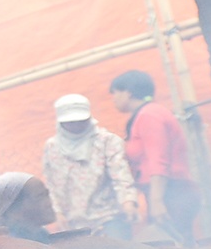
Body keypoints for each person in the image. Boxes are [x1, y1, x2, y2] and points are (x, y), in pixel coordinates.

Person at [110, 69, 200, 244]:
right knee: (175, 246)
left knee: (173, 247)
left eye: (114, 92)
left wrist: (158, 201)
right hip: (168, 192)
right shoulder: (146, 114)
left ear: (128, 92)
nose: (113, 98)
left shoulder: (149, 115)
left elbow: (158, 160)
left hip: (172, 193)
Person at [41, 92, 139, 235]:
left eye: (81, 121)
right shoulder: (52, 147)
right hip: (72, 224)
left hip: (108, 218)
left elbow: (120, 174)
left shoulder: (107, 141)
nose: (77, 126)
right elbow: (51, 184)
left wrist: (128, 202)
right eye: (71, 122)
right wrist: (57, 213)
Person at [0, 172, 56, 241]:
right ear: (13, 210)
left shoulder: (41, 235)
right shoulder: (10, 242)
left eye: (46, 195)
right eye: (39, 197)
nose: (49, 203)